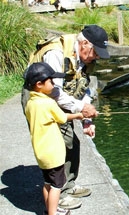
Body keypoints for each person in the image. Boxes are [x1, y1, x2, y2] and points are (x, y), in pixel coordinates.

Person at [21, 25, 110, 210]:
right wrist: (81, 110)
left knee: (72, 142)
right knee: (60, 144)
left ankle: (67, 185)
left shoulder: (85, 58)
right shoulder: (56, 53)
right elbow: (55, 92)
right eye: (96, 52)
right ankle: (59, 194)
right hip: (39, 98)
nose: (97, 57)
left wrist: (87, 119)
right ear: (84, 43)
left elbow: (83, 88)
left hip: (56, 97)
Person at [24, 62, 85, 215]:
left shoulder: (30, 104)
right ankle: (53, 213)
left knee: (47, 183)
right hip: (53, 154)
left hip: (41, 153)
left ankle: (50, 209)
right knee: (57, 186)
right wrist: (78, 115)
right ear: (39, 84)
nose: (53, 84)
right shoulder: (48, 103)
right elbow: (63, 118)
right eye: (51, 81)